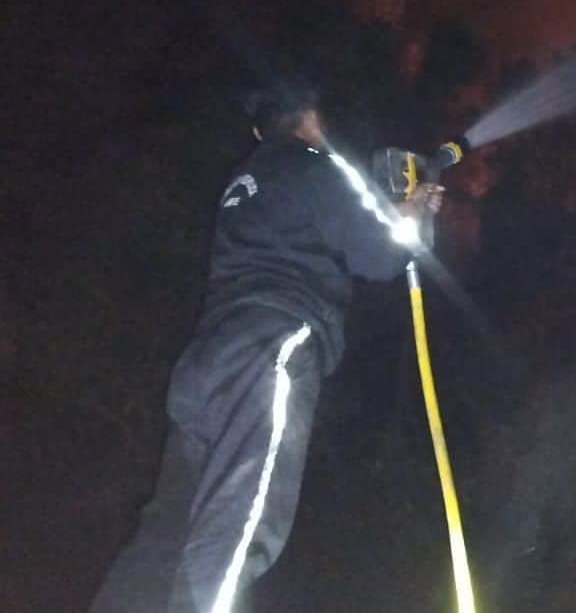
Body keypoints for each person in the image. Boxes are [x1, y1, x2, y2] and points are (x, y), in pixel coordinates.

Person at [90, 85, 443, 613]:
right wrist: (413, 210)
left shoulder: (245, 181)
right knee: (237, 527)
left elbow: (304, 226)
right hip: (269, 351)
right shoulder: (317, 164)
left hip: (204, 364)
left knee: (167, 533)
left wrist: (392, 207)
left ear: (258, 130)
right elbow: (381, 254)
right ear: (311, 118)